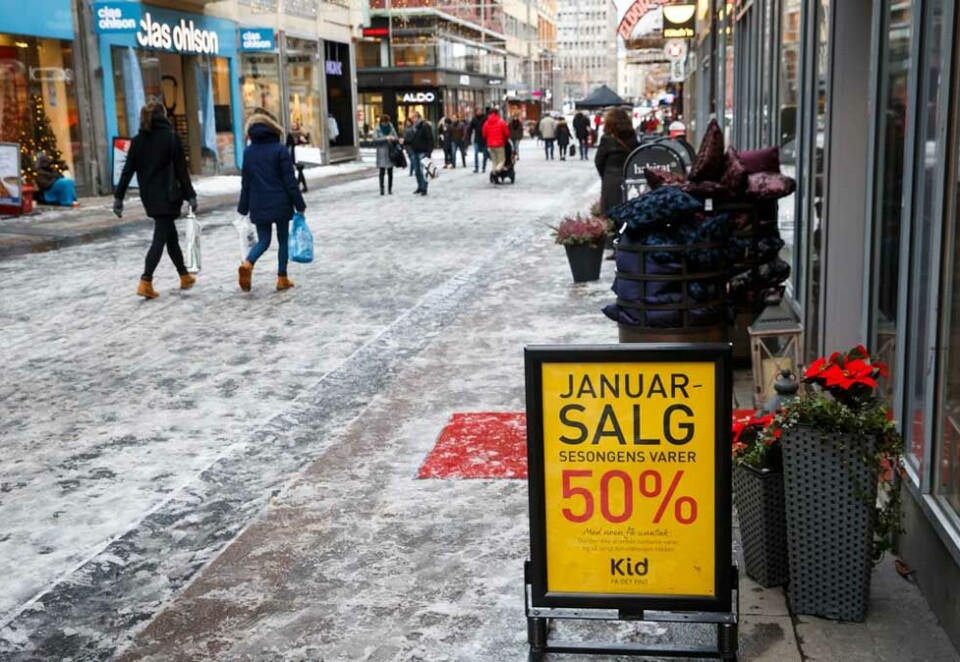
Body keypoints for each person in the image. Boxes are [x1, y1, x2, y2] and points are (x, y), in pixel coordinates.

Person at [113, 100, 198, 300]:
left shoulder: (138, 140)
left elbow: (127, 171)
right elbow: (181, 170)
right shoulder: (170, 137)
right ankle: (146, 280)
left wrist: (119, 197)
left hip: (150, 197)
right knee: (160, 238)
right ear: (163, 116)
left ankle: (184, 276)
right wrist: (190, 194)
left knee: (170, 236)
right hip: (168, 196)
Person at [237, 112, 306, 292]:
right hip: (280, 202)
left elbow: (246, 182)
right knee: (282, 239)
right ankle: (282, 278)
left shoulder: (249, 152)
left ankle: (248, 263)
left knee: (264, 240)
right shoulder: (280, 149)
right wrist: (299, 204)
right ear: (273, 129)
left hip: (258, 202)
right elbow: (290, 181)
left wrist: (243, 207)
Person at [594, 107, 640, 218]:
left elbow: (599, 160)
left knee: (611, 214)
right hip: (631, 180)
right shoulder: (633, 137)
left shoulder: (606, 139)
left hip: (612, 181)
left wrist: (605, 175)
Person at [409, 110, 434, 195]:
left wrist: (429, 152)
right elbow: (413, 139)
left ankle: (424, 188)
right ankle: (420, 186)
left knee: (422, 170)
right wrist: (405, 141)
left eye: (413, 117)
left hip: (423, 151)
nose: (412, 119)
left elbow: (430, 139)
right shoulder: (414, 127)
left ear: (417, 117)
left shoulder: (424, 126)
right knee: (417, 171)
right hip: (415, 151)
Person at [373, 114, 398, 195]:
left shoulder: (391, 127)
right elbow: (375, 139)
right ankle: (382, 189)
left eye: (386, 122)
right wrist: (385, 138)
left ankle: (390, 189)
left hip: (390, 151)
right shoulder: (377, 128)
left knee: (390, 172)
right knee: (382, 172)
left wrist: (393, 138)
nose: (385, 124)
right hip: (381, 152)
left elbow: (396, 137)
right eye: (384, 122)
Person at [482, 107, 510, 175]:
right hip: (500, 144)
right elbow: (507, 133)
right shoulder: (501, 122)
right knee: (501, 160)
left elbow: (484, 134)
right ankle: (497, 171)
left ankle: (494, 172)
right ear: (497, 113)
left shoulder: (486, 123)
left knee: (494, 161)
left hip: (490, 145)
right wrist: (505, 139)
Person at [286, 120, 310, 193]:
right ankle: (304, 186)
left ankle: (298, 185)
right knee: (300, 170)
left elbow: (308, 141)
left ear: (297, 126)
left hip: (301, 152)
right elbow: (287, 144)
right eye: (292, 125)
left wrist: (304, 140)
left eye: (295, 125)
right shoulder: (290, 134)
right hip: (294, 153)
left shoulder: (301, 133)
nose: (293, 127)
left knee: (300, 169)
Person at [467, 109, 489, 173]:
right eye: (477, 111)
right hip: (477, 139)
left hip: (484, 139)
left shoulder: (485, 118)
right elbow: (470, 128)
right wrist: (468, 138)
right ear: (476, 112)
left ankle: (483, 167)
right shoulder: (474, 119)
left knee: (485, 154)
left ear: (482, 112)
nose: (479, 112)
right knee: (476, 153)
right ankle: (476, 167)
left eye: (480, 111)